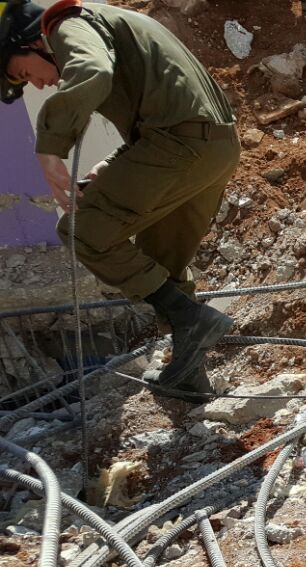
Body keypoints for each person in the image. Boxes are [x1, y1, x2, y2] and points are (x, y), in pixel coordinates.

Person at [0, 0, 239, 397]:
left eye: (24, 73)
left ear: (32, 41)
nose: (38, 85)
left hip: (180, 144)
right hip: (213, 146)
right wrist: (113, 165)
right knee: (165, 261)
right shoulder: (105, 22)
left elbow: (92, 72)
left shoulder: (64, 24)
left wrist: (49, 147)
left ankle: (192, 320)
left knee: (82, 229)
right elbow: (164, 107)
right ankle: (190, 376)